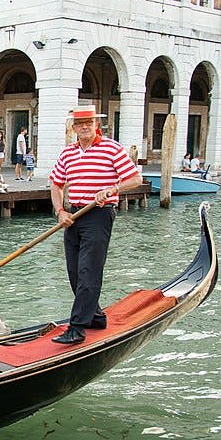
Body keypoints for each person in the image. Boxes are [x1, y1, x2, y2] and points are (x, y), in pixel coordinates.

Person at [49, 105, 141, 345]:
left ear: (96, 124)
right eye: (80, 124)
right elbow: (56, 184)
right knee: (74, 272)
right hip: (74, 215)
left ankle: (77, 328)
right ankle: (96, 316)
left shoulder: (112, 148)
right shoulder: (68, 153)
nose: (84, 127)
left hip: (99, 214)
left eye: (88, 122)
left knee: (88, 270)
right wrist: (60, 211)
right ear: (74, 128)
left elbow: (135, 179)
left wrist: (111, 189)